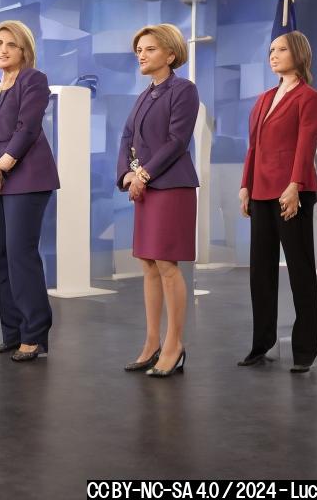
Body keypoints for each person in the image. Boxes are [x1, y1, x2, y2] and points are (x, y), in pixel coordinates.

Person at [237, 30, 317, 373]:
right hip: (260, 192)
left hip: (293, 192)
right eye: (271, 49)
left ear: (298, 53)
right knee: (260, 272)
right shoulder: (263, 99)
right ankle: (261, 344)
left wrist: (295, 184)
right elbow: (253, 147)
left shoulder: (310, 97)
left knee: (300, 272)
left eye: (281, 49)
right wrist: (245, 186)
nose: (273, 54)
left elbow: (306, 145)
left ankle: (304, 352)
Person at [116, 23, 199, 378]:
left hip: (171, 187)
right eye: (139, 49)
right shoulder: (144, 94)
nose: (142, 55)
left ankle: (174, 345)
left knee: (167, 266)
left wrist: (144, 175)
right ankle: (151, 343)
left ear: (170, 53)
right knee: (148, 265)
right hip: (145, 188)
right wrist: (126, 175)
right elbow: (126, 138)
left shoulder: (184, 90)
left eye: (149, 49)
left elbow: (176, 141)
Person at [0, 20, 58, 362]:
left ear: (24, 50)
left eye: (10, 44)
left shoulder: (33, 80)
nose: (3, 50)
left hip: (26, 177)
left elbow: (28, 128)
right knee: (2, 257)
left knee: (21, 254)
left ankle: (34, 334)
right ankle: (12, 332)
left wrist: (0, 166)